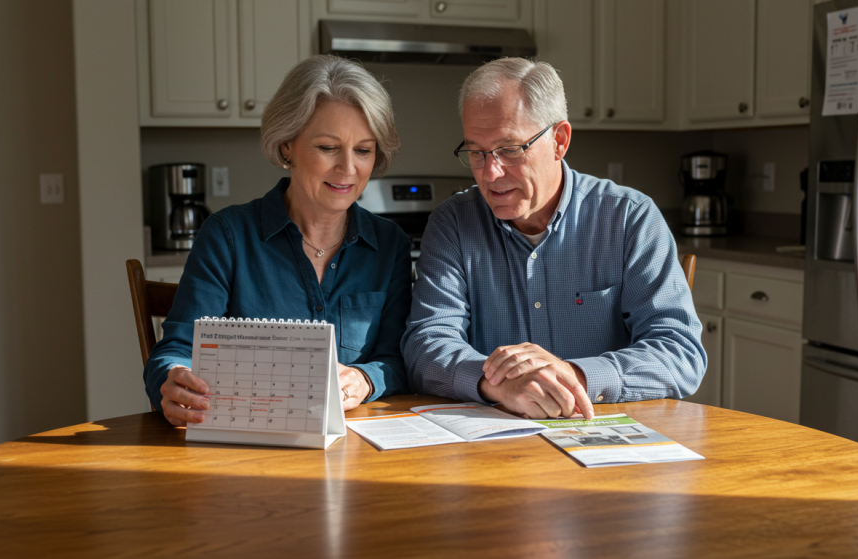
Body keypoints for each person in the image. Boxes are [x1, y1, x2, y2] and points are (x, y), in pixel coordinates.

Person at [401, 58, 705, 420]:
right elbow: (425, 345)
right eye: (476, 152)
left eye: (509, 149)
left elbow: (679, 352)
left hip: (607, 434)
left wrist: (571, 376)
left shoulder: (628, 218)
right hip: (494, 441)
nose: (491, 173)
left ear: (559, 140)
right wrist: (496, 384)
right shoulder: (453, 223)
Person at [144, 55, 412, 426]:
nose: (348, 169)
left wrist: (366, 379)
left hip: (359, 450)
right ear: (287, 146)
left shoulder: (390, 245)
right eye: (327, 147)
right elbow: (176, 350)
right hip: (248, 449)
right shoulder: (227, 236)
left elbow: (399, 360)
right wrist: (172, 381)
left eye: (363, 150)